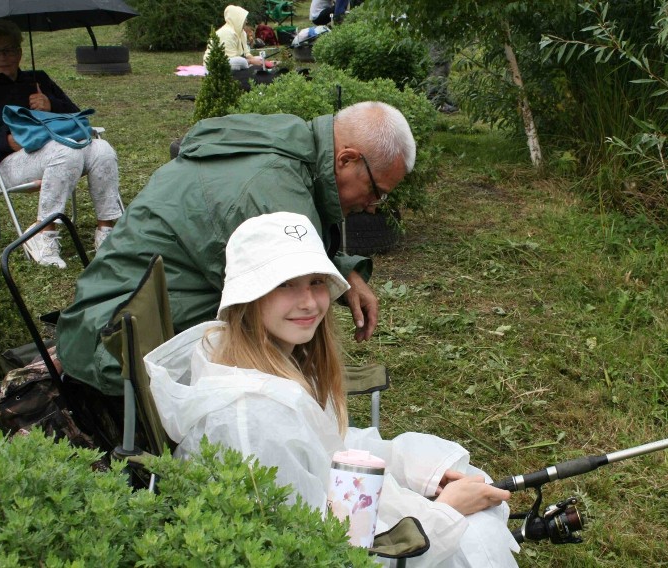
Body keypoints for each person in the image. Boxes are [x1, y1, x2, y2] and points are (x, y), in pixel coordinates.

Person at [144, 212, 520, 566]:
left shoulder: (267, 359)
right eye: (284, 285)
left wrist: (419, 471)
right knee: (477, 534)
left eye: (316, 281)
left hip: (338, 525)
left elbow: (329, 448)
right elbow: (315, 551)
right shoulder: (255, 420)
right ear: (249, 297)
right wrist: (445, 513)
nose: (308, 302)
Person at [56, 101, 414, 405]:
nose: (373, 207)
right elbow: (287, 320)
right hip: (116, 346)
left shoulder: (291, 142)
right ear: (347, 159)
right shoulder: (271, 191)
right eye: (376, 191)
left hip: (101, 317)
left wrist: (345, 272)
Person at [0, 19, 123, 267]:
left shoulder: (38, 79)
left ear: (19, 52)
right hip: (6, 163)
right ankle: (43, 234)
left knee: (102, 149)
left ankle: (107, 232)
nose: (2, 57)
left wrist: (51, 105)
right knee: (66, 152)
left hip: (57, 150)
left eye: (8, 49)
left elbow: (75, 114)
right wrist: (4, 141)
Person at [203, 5, 265, 71]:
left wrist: (259, 61)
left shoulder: (241, 32)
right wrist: (251, 61)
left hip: (235, 60)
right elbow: (231, 58)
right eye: (244, 19)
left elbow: (247, 53)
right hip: (216, 65)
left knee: (260, 58)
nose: (246, 21)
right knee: (241, 61)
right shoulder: (227, 32)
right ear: (237, 19)